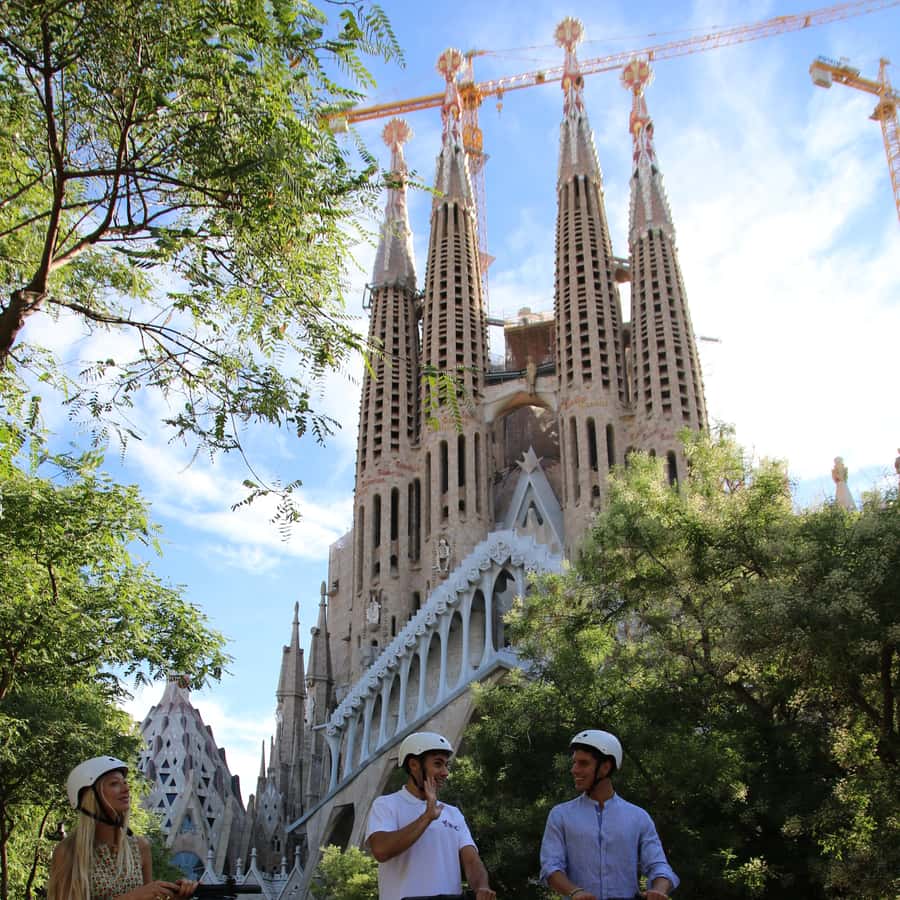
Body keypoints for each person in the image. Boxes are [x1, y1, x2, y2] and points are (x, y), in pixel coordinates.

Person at [540, 730, 678, 900]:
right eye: (574, 762)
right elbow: (550, 867)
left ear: (605, 767)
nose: (574, 770)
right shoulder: (560, 815)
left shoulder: (638, 817)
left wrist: (659, 890)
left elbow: (658, 865)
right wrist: (575, 892)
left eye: (583, 763)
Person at [365, 731, 496, 900]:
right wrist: (427, 817)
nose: (445, 772)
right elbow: (381, 851)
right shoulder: (386, 805)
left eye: (446, 765)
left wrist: (482, 887)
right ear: (413, 764)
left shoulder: (453, 813)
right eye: (438, 764)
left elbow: (471, 861)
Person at [48, 755, 197, 900]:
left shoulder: (140, 847)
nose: (126, 789)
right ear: (91, 796)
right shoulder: (68, 852)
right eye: (114, 784)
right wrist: (133, 897)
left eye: (125, 782)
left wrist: (176, 896)